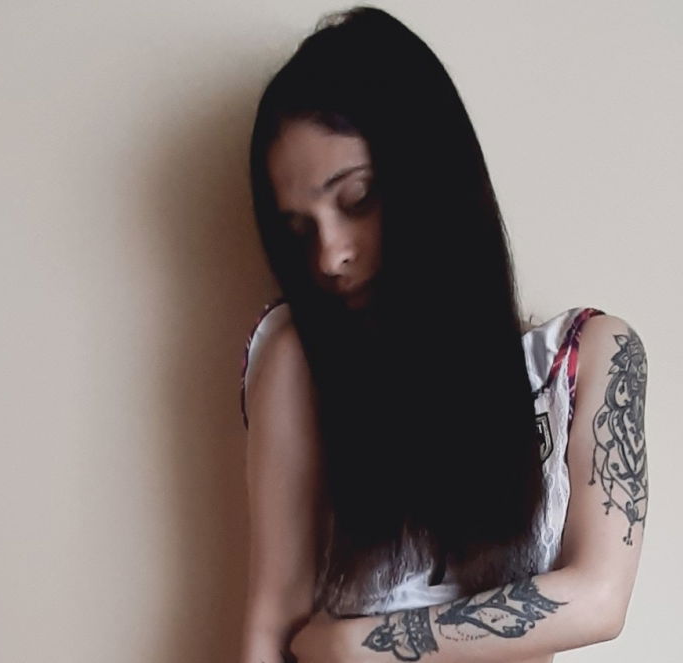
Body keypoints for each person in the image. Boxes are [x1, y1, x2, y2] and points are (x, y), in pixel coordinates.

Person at [237, 7, 648, 663]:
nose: (329, 256)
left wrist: (352, 645)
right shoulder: (301, 358)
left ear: (429, 173)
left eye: (357, 198)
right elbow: (271, 619)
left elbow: (598, 599)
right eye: (299, 229)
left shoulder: (587, 359)